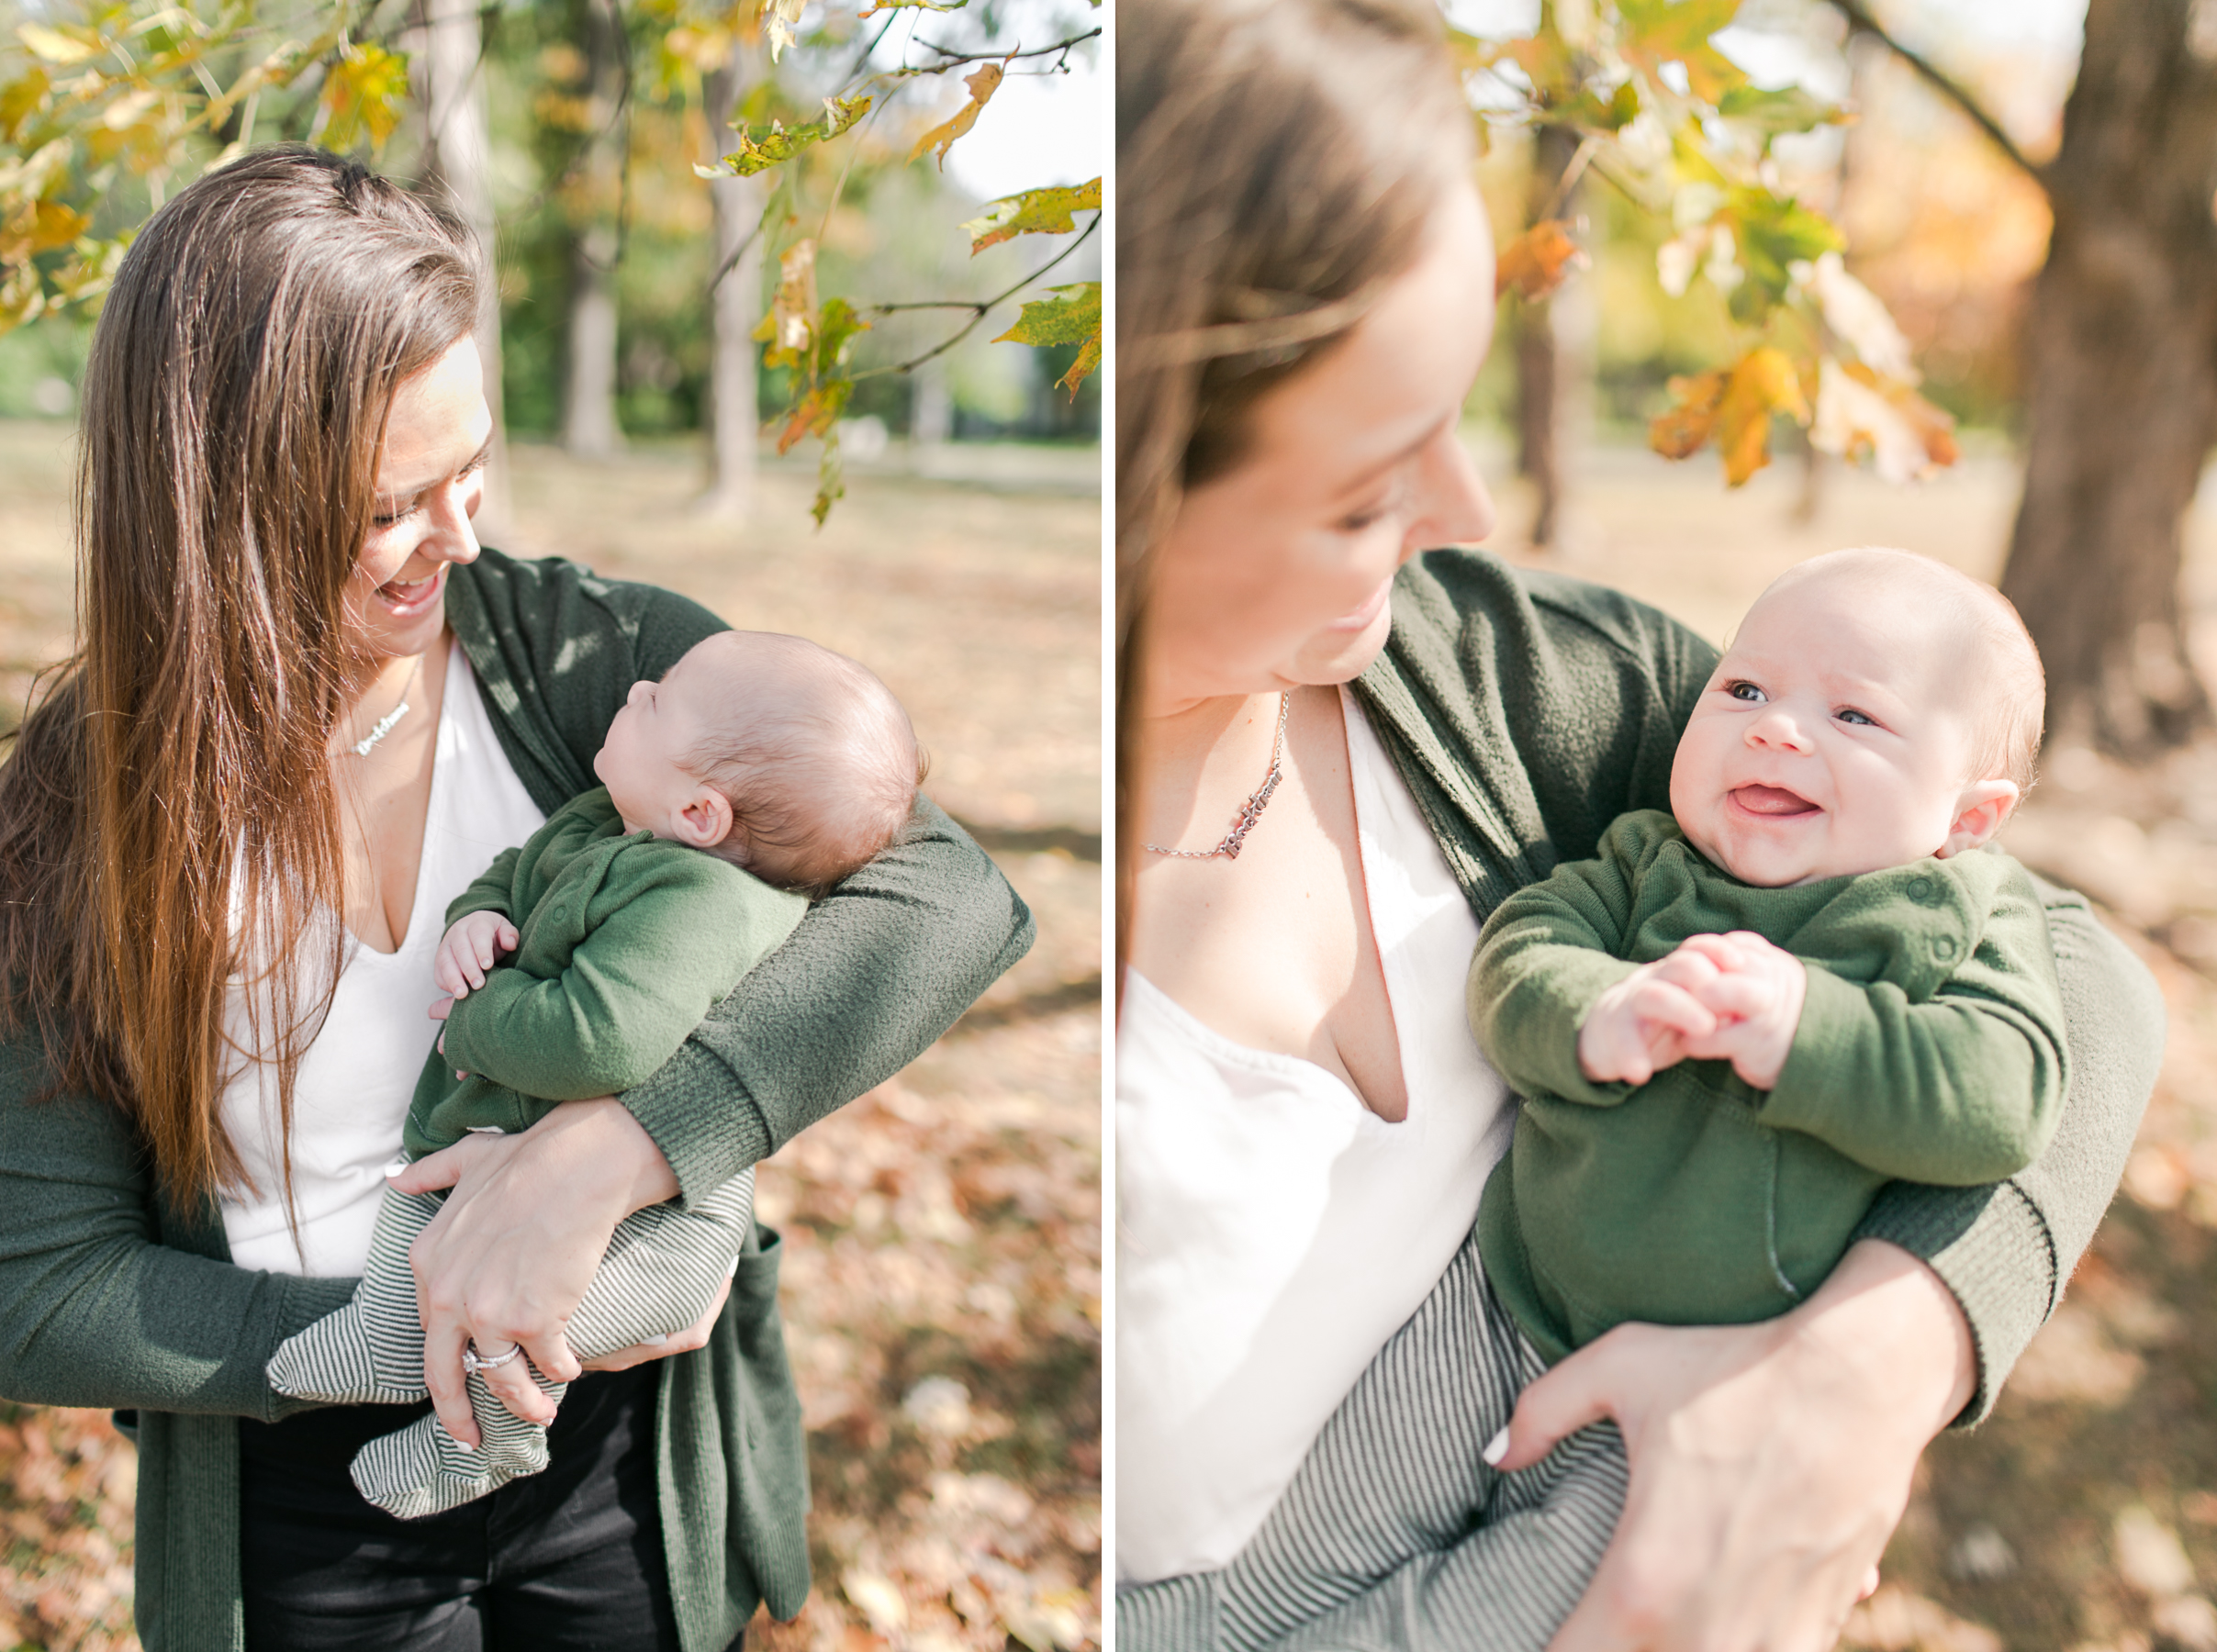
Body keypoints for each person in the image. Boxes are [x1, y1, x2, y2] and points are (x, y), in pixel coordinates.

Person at [1114, 2, 2163, 1648]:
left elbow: (2079, 989)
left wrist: (1874, 1366)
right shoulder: (1660, 826)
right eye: (1369, 481)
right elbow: (1544, 949)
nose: (1468, 512)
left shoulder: (1529, 682)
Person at [0, 148, 1031, 1652]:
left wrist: (613, 1156)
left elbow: (948, 893)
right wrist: (394, 1340)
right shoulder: (78, 811)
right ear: (213, 500)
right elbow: (42, 1285)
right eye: (391, 505)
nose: (464, 534)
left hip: (615, 1464)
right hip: (296, 1488)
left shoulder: (584, 662)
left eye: (472, 467)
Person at [268, 630, 926, 1520]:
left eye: (662, 700)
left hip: (647, 1232)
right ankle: (389, 1342)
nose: (640, 684)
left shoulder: (698, 906)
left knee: (519, 1310)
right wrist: (480, 922)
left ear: (701, 815)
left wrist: (477, 1015)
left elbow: (598, 1040)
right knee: (427, 1212)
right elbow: (514, 874)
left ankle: (482, 1443)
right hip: (502, 1135)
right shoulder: (604, 817)